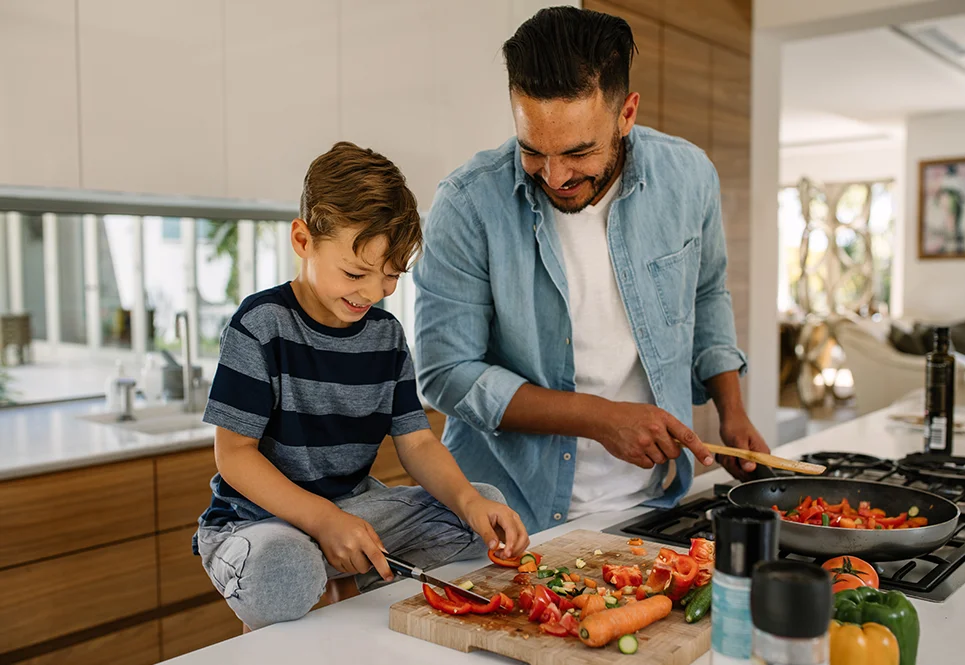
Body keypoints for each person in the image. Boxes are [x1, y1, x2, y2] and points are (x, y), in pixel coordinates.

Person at [413, 7, 769, 534]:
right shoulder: (467, 204)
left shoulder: (689, 176)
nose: (554, 176)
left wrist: (731, 406)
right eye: (533, 150)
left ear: (626, 114)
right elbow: (446, 375)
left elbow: (707, 293)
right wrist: (600, 418)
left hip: (654, 504)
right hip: (505, 515)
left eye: (578, 151)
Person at [193, 141, 528, 631]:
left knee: (478, 511)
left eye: (391, 276)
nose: (372, 293)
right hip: (257, 522)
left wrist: (469, 501)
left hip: (352, 508)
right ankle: (325, 574)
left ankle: (339, 575)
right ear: (303, 241)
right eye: (355, 272)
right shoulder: (261, 324)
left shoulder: (385, 335)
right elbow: (235, 455)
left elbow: (416, 442)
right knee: (284, 568)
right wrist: (323, 522)